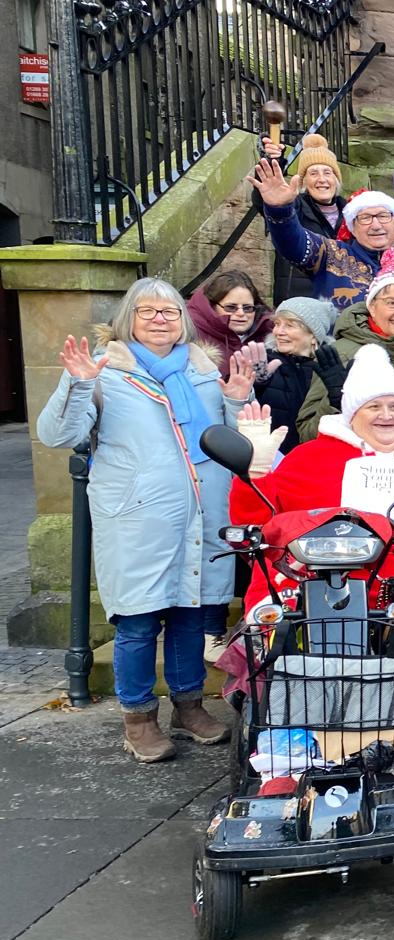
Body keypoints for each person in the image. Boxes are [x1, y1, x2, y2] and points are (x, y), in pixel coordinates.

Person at [229, 344, 394, 787]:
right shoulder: (308, 459)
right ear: (352, 414)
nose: (387, 415)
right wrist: (254, 473)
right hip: (316, 589)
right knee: (289, 648)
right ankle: (288, 759)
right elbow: (252, 525)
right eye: (374, 406)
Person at [37, 277, 252, 762]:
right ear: (127, 319)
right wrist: (78, 383)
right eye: (148, 311)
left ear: (185, 321)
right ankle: (138, 718)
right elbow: (56, 434)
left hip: (198, 513)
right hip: (137, 517)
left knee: (187, 616)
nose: (160, 319)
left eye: (170, 312)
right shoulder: (104, 370)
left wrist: (237, 401)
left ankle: (188, 706)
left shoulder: (202, 371)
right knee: (137, 623)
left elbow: (231, 445)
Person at [251, 158, 394, 344]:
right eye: (365, 218)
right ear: (353, 227)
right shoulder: (331, 256)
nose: (376, 225)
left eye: (384, 216)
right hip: (341, 371)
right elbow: (292, 243)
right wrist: (280, 209)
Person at [297, 258, 394, 444]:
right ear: (372, 307)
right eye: (392, 303)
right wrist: (335, 402)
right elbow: (307, 435)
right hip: (363, 471)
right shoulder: (341, 355)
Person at [261, 132, 344, 302]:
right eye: (313, 173)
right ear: (303, 181)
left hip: (340, 304)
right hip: (300, 305)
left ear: (336, 179)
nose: (322, 179)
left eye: (327, 173)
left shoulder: (352, 212)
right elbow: (274, 203)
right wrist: (272, 161)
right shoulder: (295, 207)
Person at [256, 297, 343, 456]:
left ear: (313, 335)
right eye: (277, 324)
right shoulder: (264, 364)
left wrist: (338, 397)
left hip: (312, 463)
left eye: (289, 325)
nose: (278, 332)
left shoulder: (330, 370)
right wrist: (256, 386)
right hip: (269, 462)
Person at [186, 268, 271, 366]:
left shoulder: (271, 334)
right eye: (231, 307)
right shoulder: (188, 333)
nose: (241, 313)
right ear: (212, 306)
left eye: (247, 308)